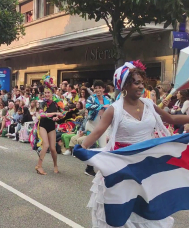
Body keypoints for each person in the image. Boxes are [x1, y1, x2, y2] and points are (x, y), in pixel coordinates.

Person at [80, 60, 189, 227]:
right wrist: (82, 147)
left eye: (142, 83)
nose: (141, 87)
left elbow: (172, 119)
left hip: (147, 166)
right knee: (124, 212)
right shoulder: (114, 109)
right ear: (124, 85)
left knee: (149, 210)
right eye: (136, 83)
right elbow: (97, 132)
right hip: (124, 168)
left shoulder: (149, 104)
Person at [35, 73, 63, 175]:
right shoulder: (42, 103)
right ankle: (39, 166)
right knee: (45, 145)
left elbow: (63, 113)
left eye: (48, 93)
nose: (46, 94)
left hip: (51, 126)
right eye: (45, 93)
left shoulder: (57, 103)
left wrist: (58, 117)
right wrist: (55, 113)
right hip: (42, 125)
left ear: (52, 93)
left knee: (53, 148)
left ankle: (55, 165)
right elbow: (42, 114)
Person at [85, 80, 111, 148]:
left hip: (102, 125)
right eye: (96, 88)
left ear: (103, 89)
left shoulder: (108, 99)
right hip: (91, 124)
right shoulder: (91, 98)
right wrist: (101, 106)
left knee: (103, 147)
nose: (97, 90)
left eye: (99, 87)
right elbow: (87, 106)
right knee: (89, 146)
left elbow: (112, 109)